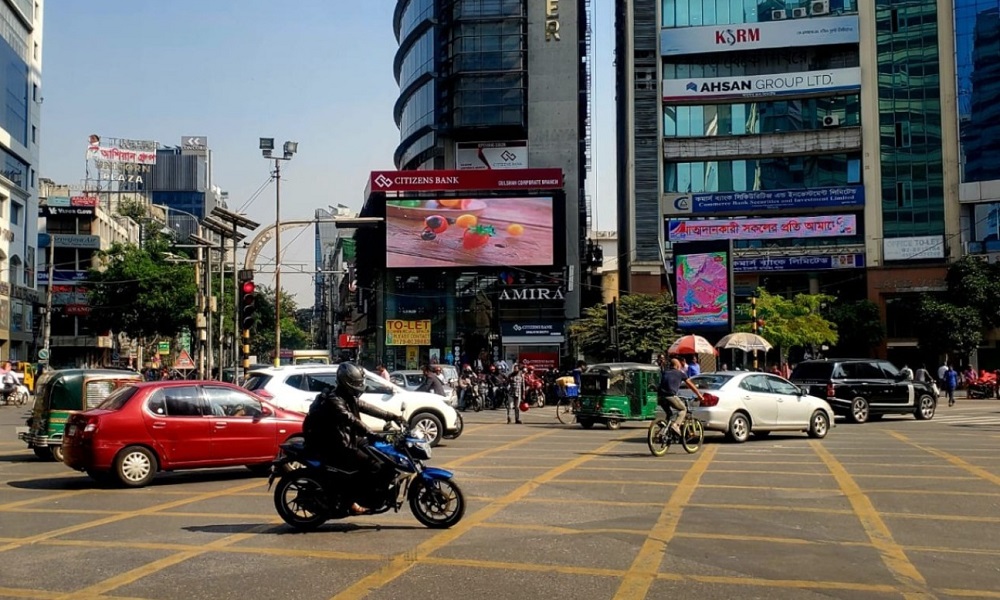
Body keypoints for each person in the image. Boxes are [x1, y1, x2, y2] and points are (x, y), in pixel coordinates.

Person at [302, 362, 404, 515]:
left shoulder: (347, 396)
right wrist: (371, 432)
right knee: (373, 465)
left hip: (349, 438)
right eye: (356, 383)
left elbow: (366, 407)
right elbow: (351, 420)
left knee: (382, 456)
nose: (359, 386)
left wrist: (391, 416)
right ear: (346, 382)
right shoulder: (335, 400)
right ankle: (351, 501)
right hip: (336, 444)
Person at [656, 356, 705, 437]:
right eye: (679, 365)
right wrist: (699, 395)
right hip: (670, 396)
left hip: (660, 397)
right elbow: (691, 385)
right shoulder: (680, 373)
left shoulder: (665, 372)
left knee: (670, 414)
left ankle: (663, 430)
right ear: (677, 366)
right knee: (683, 409)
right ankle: (676, 425)